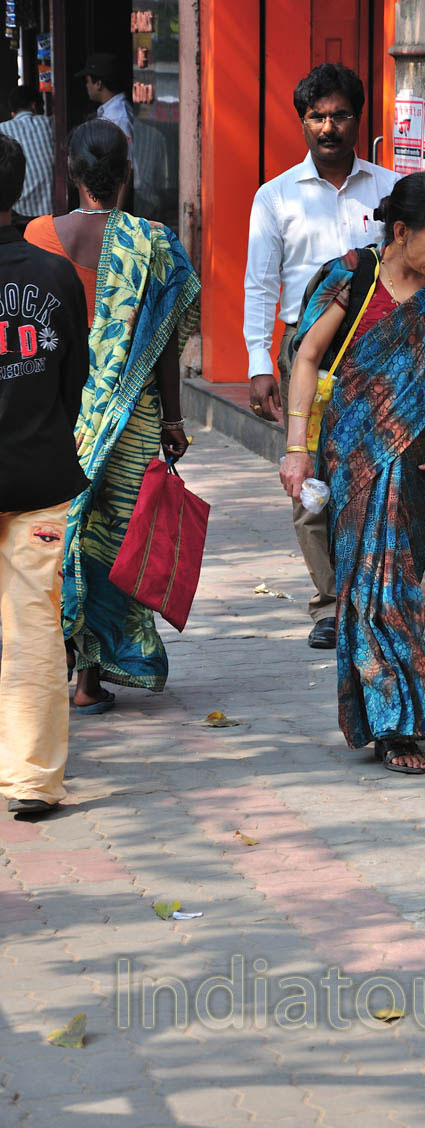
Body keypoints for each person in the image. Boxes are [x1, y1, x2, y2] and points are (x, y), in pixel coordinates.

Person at [280, 172, 425, 774]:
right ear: (401, 232)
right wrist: (296, 447)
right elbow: (306, 357)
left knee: (400, 587)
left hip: (418, 464)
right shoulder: (352, 276)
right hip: (355, 460)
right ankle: (394, 724)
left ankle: (395, 715)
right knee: (367, 590)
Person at [25, 120, 200, 710]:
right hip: (131, 418)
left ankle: (50, 660)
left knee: (59, 536)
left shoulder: (38, 235)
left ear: (71, 171)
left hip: (57, 415)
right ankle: (89, 680)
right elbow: (167, 343)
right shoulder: (154, 242)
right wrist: (173, 421)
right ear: (128, 172)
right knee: (111, 540)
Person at [244, 63, 397, 649]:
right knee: (308, 476)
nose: (328, 127)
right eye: (317, 117)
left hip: (377, 354)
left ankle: (375, 596)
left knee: (376, 474)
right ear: (302, 122)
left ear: (359, 119)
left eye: (340, 115)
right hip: (305, 355)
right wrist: (260, 363)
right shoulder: (275, 197)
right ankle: (331, 603)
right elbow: (260, 285)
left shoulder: (391, 191)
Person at [0, 133, 89, 818]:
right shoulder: (55, 276)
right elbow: (73, 382)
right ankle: (32, 780)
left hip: (34, 476)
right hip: (39, 474)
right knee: (33, 626)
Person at [75, 52, 135, 203]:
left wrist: (115, 212)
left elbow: (128, 166)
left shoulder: (118, 117)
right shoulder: (109, 112)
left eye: (88, 81)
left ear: (99, 84)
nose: (87, 86)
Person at [0, 84, 54, 218]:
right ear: (34, 106)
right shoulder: (50, 123)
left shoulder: (2, 129)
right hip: (53, 212)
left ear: (13, 112)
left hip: (18, 212)